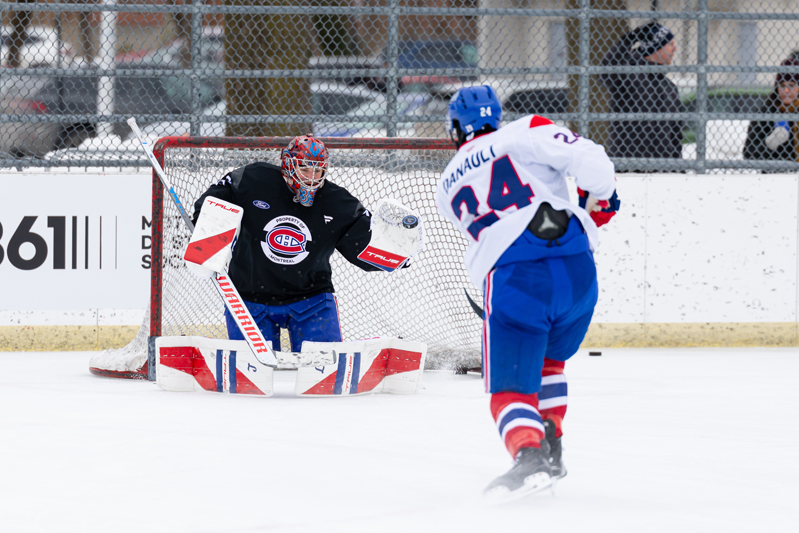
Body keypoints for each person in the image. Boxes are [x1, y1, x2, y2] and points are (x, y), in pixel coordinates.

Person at [435, 86, 620, 499]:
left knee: (510, 389)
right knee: (551, 362)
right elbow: (591, 159)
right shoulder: (526, 129)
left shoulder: (446, 182)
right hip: (576, 271)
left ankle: (530, 456)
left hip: (516, 279)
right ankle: (551, 443)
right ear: (495, 115)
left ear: (455, 128)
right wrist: (601, 201)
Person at [191, 135, 384, 352]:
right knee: (251, 382)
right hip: (249, 299)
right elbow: (213, 203)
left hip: (312, 301)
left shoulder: (337, 201)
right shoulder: (252, 180)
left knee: (323, 379)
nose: (312, 178)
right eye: (304, 168)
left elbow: (366, 250)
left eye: (318, 171)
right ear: (288, 164)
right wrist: (203, 224)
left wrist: (397, 252)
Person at [600, 21, 684, 166]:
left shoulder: (669, 87)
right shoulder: (629, 75)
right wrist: (629, 39)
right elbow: (606, 71)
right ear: (656, 47)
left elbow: (675, 134)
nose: (675, 48)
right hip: (629, 166)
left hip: (664, 169)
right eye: (670, 44)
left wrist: (678, 168)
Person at [743, 54, 799, 165]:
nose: (786, 91)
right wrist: (769, 143)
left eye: (791, 85)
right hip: (773, 178)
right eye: (782, 86)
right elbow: (748, 154)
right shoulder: (766, 112)